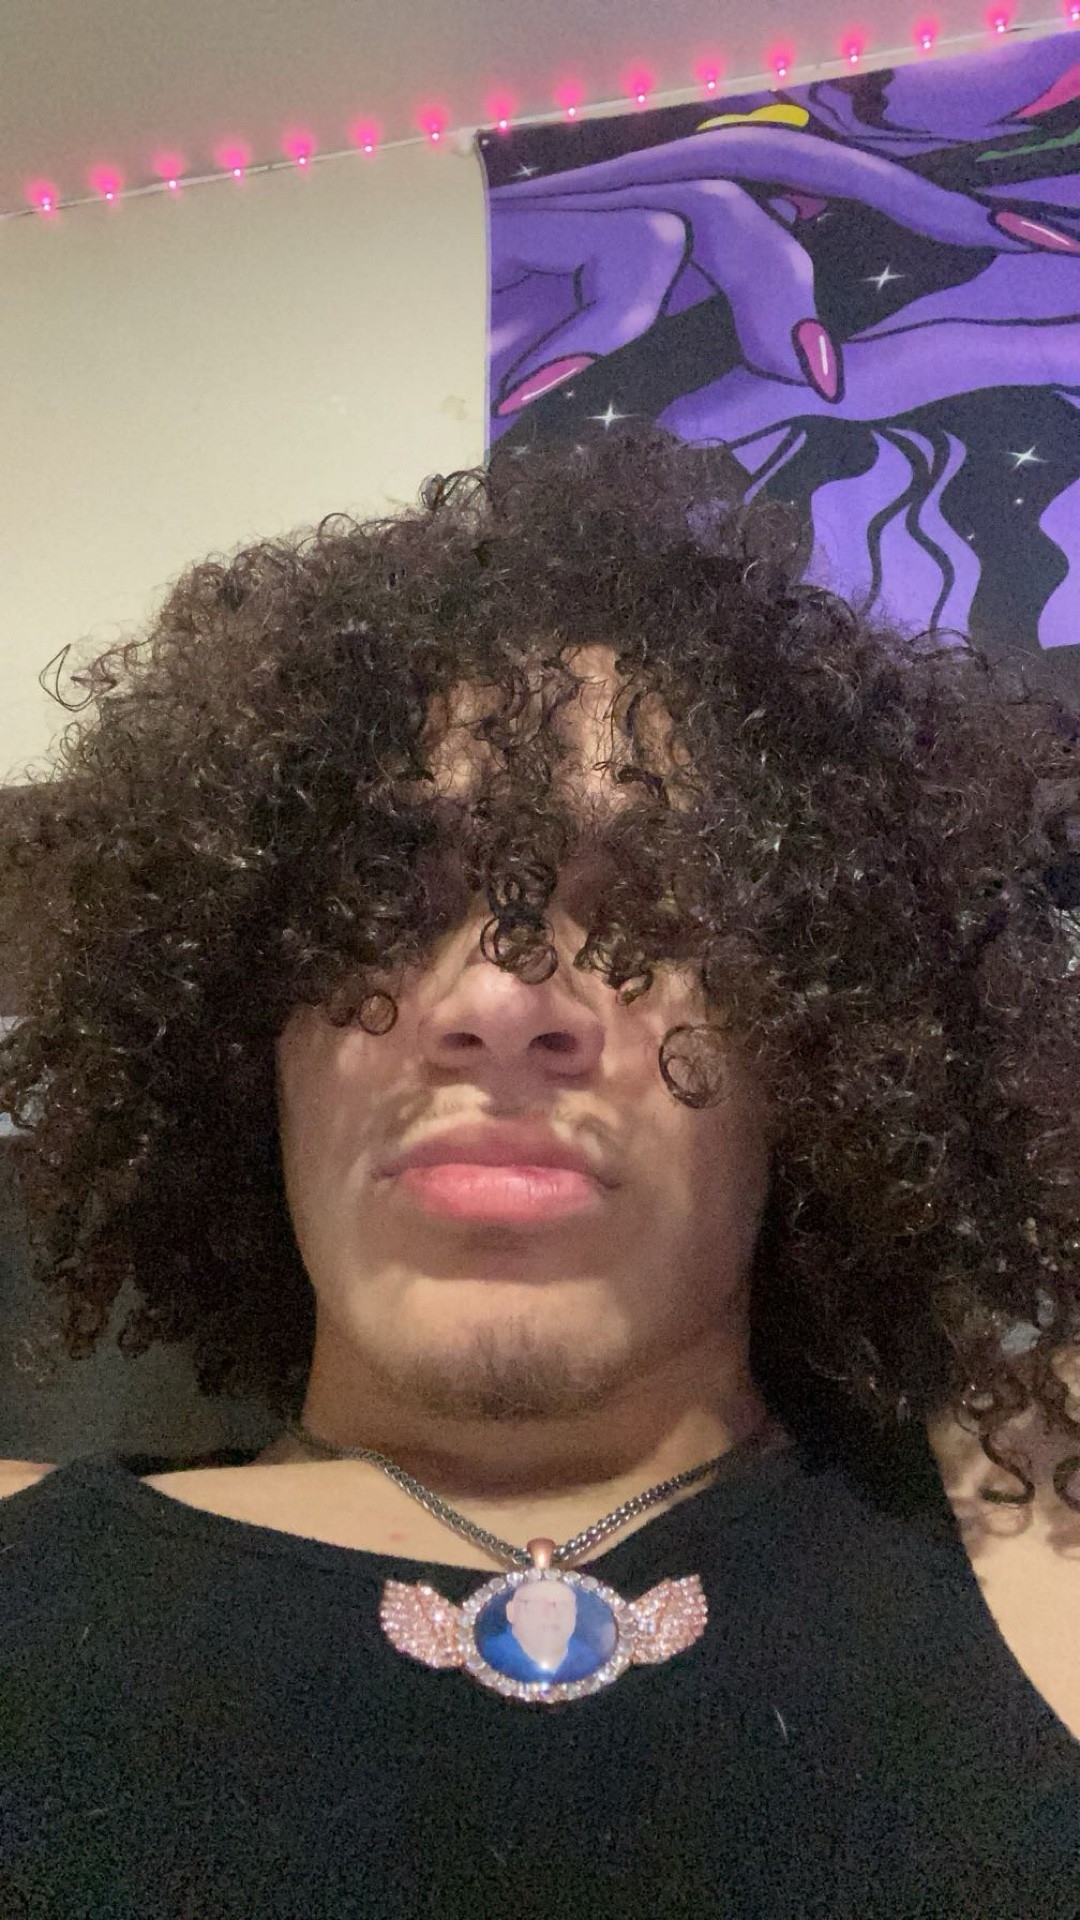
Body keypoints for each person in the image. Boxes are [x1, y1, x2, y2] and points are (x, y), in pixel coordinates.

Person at [0, 426, 1078, 1917]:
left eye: (656, 909)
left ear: (829, 1042)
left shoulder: (1040, 1530)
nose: (502, 1003)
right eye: (387, 902)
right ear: (245, 1033)